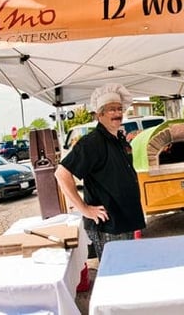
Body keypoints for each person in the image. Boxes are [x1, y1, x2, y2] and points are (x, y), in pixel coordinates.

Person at [55, 83, 145, 260]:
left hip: (125, 220)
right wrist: (85, 210)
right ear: (99, 114)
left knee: (127, 269)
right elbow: (61, 173)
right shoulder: (92, 142)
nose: (118, 113)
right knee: (115, 275)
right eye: (111, 110)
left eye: (119, 109)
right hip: (109, 225)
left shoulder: (118, 139)